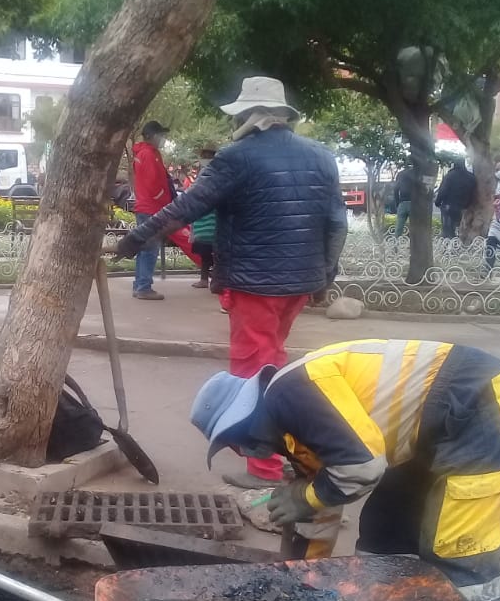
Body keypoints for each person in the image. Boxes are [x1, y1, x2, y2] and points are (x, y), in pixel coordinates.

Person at [190, 339, 500, 601]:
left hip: (479, 404)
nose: (242, 451)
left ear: (244, 421)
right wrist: (301, 582)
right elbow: (323, 510)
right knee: (382, 538)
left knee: (458, 557)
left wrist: (306, 498)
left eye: (235, 442)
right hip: (423, 435)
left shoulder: (291, 393)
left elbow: (363, 467)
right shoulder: (292, 432)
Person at [116, 76, 347, 489]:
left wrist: (134, 239)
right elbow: (336, 223)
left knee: (252, 373)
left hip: (255, 284)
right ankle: (295, 454)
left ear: (248, 116)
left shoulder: (236, 157)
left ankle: (265, 469)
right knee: (274, 365)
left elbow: (185, 208)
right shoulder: (321, 157)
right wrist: (324, 276)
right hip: (298, 282)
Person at [128, 120, 198, 301]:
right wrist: (164, 201)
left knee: (145, 246)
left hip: (146, 206)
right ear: (151, 136)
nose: (163, 139)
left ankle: (140, 284)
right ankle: (143, 286)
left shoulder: (143, 153)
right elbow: (154, 183)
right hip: (152, 207)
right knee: (150, 247)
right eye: (160, 135)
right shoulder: (149, 155)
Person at [190, 145, 218, 289]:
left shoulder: (217, 172)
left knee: (213, 249)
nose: (205, 159)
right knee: (205, 250)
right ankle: (206, 279)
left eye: (209, 156)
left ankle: (210, 279)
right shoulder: (204, 172)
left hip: (213, 215)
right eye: (204, 156)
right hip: (204, 216)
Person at [434, 161, 476, 239]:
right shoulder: (471, 177)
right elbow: (473, 193)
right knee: (460, 228)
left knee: (447, 230)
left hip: (449, 205)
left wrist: (438, 202)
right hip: (463, 207)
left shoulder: (450, 175)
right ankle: (457, 243)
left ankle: (448, 246)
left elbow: (443, 190)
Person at [392, 165, 415, 237]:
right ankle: (414, 246)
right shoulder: (416, 173)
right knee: (414, 227)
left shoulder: (400, 174)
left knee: (399, 228)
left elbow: (396, 189)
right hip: (414, 204)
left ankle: (395, 245)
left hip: (402, 203)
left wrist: (397, 203)